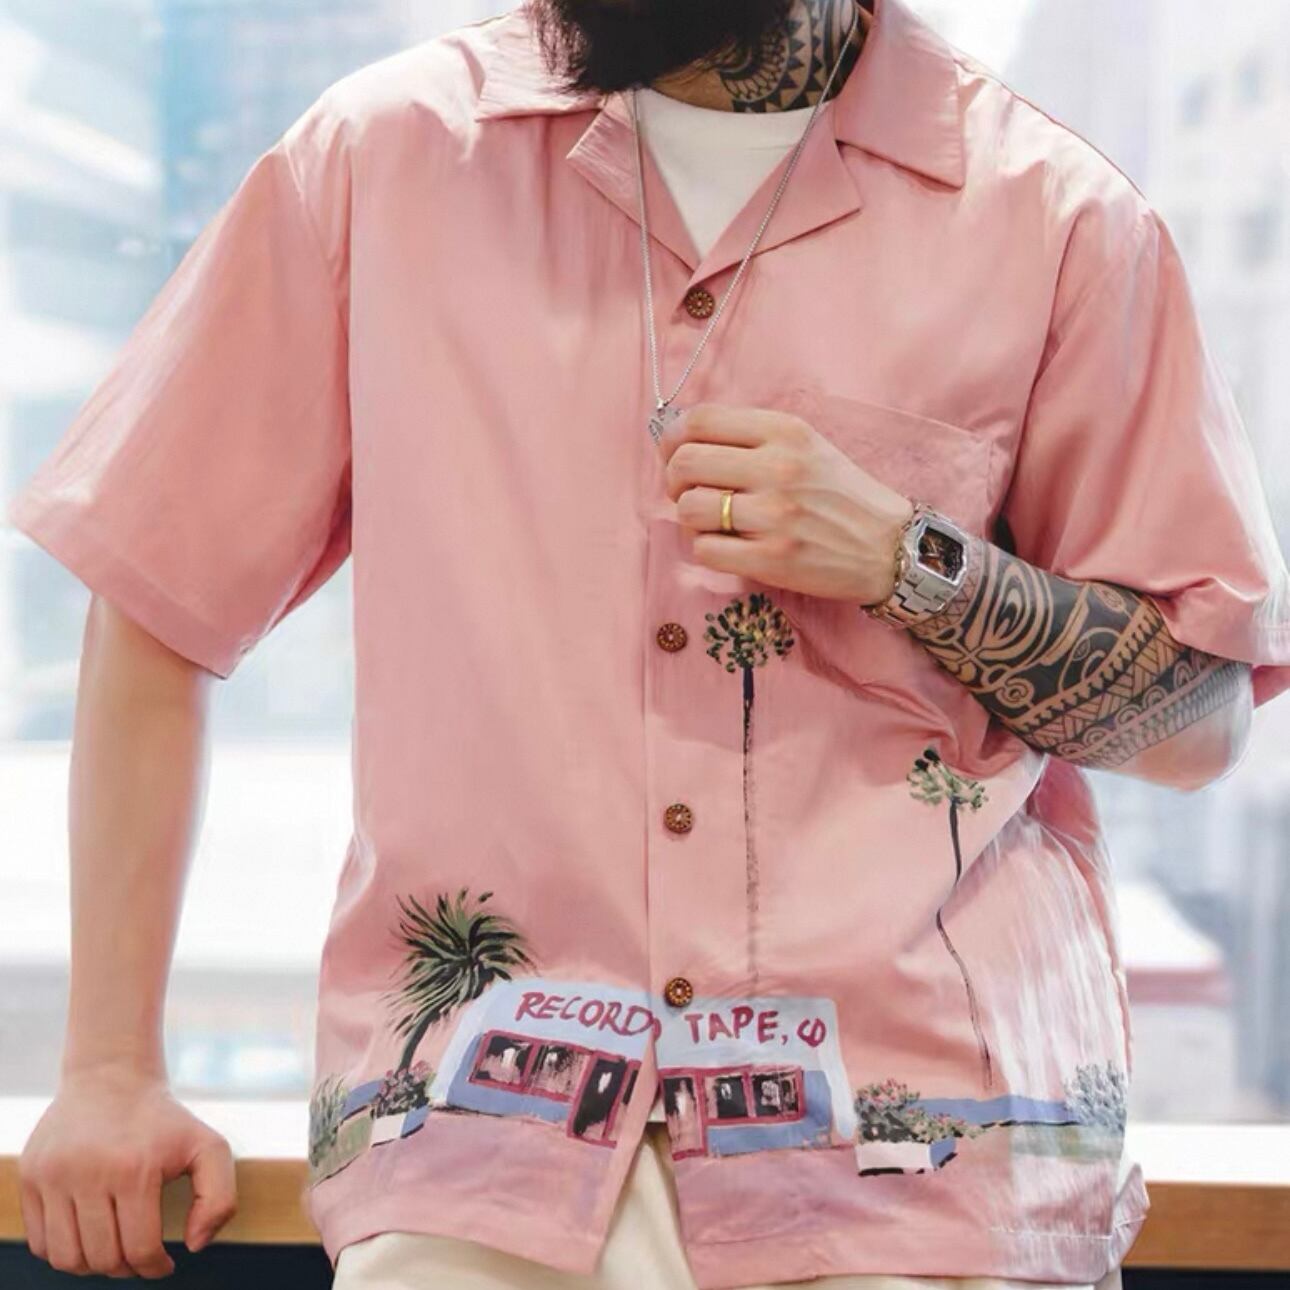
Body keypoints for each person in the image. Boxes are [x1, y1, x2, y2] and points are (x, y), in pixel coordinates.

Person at [7, 0, 1290, 1286]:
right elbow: (157, 592)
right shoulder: (380, 161)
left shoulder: (1054, 216)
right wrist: (110, 1067)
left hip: (927, 1150)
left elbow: (1199, 726)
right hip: (474, 1148)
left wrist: (909, 562)